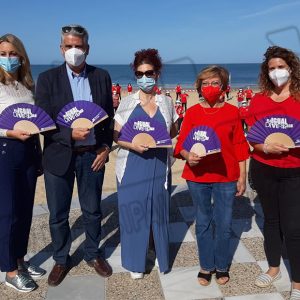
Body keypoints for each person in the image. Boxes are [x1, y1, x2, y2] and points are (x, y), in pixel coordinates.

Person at [35, 24, 114, 287]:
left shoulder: (101, 76)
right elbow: (44, 121)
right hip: (59, 155)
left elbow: (107, 118)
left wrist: (105, 147)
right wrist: (69, 134)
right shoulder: (47, 79)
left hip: (93, 155)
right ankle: (61, 258)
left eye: (78, 46)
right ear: (61, 49)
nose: (74, 51)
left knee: (92, 210)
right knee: (58, 213)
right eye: (68, 46)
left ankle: (93, 253)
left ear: (87, 49)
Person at [174, 66, 249, 286]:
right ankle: (206, 265)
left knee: (224, 223)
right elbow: (180, 143)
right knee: (203, 222)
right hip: (197, 176)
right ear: (199, 87)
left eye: (215, 83)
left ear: (224, 87)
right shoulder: (193, 112)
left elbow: (240, 145)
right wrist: (188, 154)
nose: (209, 87)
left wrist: (242, 176)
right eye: (205, 83)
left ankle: (222, 265)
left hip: (226, 176)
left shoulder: (232, 112)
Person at [114, 48, 178, 279]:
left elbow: (172, 131)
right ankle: (134, 262)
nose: (144, 78)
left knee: (158, 211)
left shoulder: (167, 102)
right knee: (134, 214)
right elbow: (117, 136)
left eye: (148, 72)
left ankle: (159, 252)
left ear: (157, 74)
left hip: (159, 164)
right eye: (139, 74)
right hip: (133, 163)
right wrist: (133, 145)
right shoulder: (127, 103)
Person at [246, 46, 300, 300]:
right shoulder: (259, 100)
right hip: (264, 168)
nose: (276, 72)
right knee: (271, 221)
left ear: (291, 69)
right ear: (266, 73)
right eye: (271, 68)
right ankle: (274, 268)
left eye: (280, 67)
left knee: (293, 226)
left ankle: (298, 283)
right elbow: (253, 137)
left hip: (294, 171)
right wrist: (263, 146)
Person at [0, 34, 46, 292]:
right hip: (5, 151)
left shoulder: (28, 85)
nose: (8, 58)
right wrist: (8, 133)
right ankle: (9, 270)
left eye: (13, 54)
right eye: (3, 54)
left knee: (24, 212)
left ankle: (20, 259)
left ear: (22, 57)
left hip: (29, 151)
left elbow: (35, 120)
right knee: (7, 213)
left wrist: (38, 156)